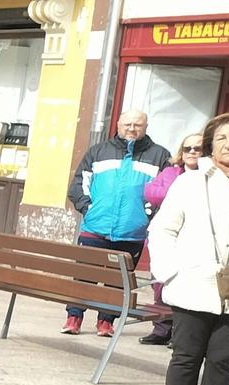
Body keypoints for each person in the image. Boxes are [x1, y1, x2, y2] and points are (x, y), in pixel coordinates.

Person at [150, 112, 229, 385]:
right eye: (224, 139)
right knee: (185, 357)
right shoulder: (190, 182)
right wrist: (171, 272)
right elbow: (162, 229)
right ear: (211, 146)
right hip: (193, 284)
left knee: (223, 361)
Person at [64, 108, 169, 336]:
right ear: (118, 125)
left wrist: (147, 215)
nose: (132, 129)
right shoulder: (98, 151)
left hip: (132, 232)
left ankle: (106, 321)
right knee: (85, 275)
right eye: (127, 124)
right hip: (95, 228)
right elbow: (78, 185)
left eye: (137, 125)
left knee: (118, 281)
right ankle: (74, 317)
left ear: (146, 127)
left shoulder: (160, 156)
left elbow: (165, 191)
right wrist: (89, 210)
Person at [141, 130, 205, 346]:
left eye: (198, 148)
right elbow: (151, 192)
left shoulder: (211, 175)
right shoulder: (171, 173)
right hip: (166, 238)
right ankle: (161, 329)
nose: (193, 152)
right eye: (188, 148)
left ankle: (179, 333)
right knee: (160, 284)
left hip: (194, 241)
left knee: (186, 286)